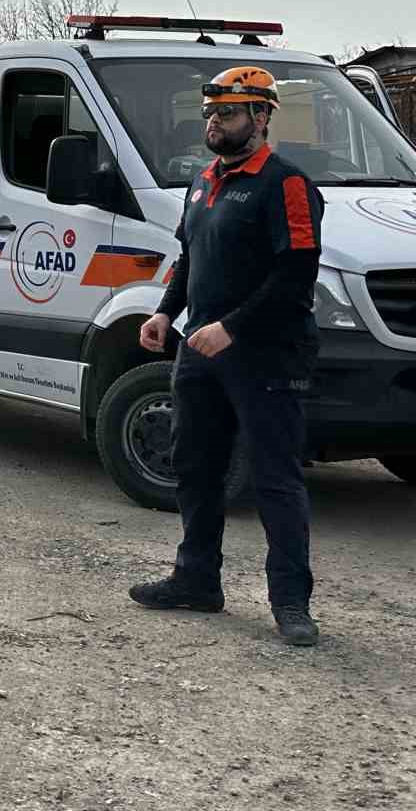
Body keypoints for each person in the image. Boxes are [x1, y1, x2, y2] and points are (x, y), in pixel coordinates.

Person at [132, 66, 325, 646]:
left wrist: (232, 328)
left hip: (267, 354)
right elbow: (191, 259)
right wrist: (167, 311)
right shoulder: (202, 181)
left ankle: (291, 603)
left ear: (262, 117)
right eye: (210, 114)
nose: (214, 123)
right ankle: (196, 581)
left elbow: (297, 275)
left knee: (276, 480)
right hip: (200, 350)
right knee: (195, 466)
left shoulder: (286, 185)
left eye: (229, 113)